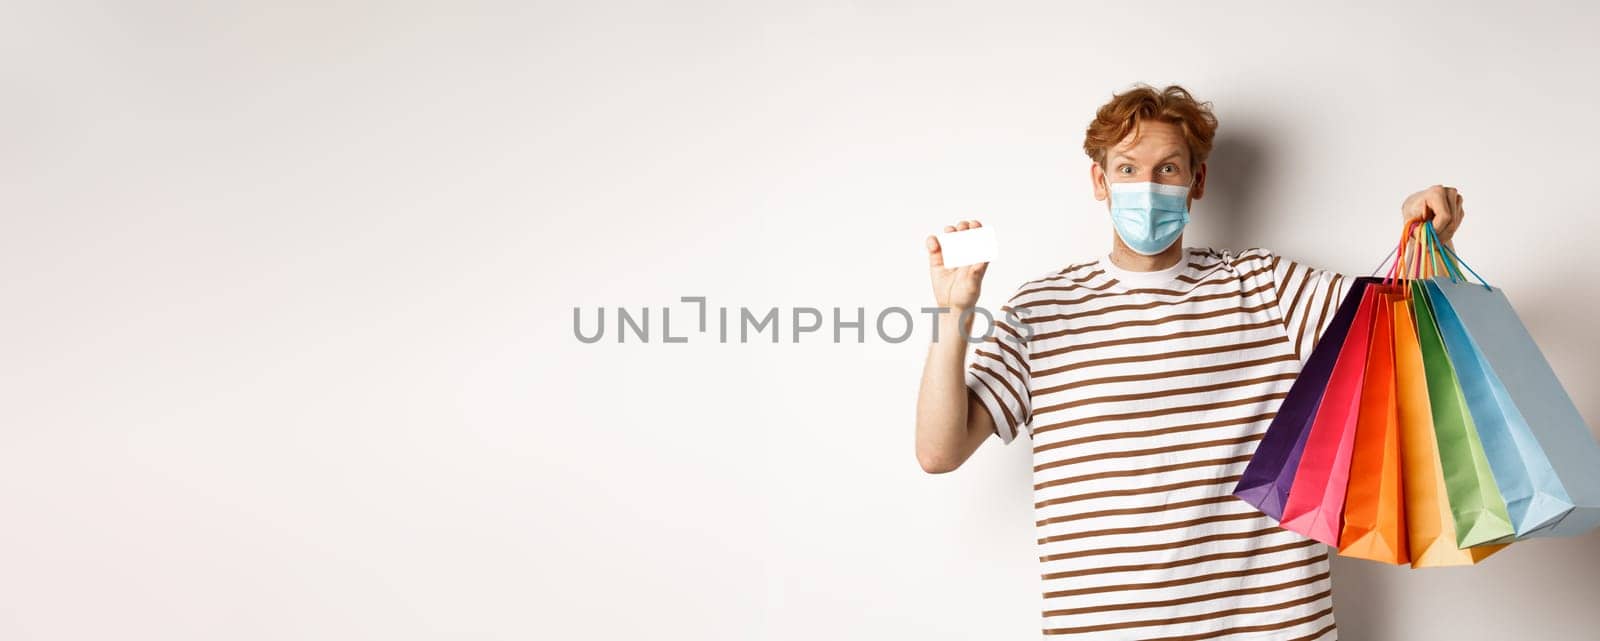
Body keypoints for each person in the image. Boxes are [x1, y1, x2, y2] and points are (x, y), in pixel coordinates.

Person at [913, 84, 1465, 640]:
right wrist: (951, 312)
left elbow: (1401, 334)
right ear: (1100, 182)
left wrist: (1423, 236)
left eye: (1168, 169)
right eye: (1128, 169)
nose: (1147, 188)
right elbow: (939, 451)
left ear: (1196, 182)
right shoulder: (1042, 309)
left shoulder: (1266, 286)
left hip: (1271, 628)